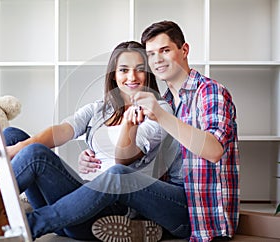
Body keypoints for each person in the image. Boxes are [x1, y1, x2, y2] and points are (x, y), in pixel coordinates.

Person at [0, 41, 192, 241]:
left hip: (105, 207)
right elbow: (62, 131)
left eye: (139, 69)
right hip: (75, 201)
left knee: (36, 155)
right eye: (124, 70)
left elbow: (122, 159)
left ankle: (21, 224)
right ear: (114, 74)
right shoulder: (100, 108)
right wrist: (17, 147)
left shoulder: (158, 110)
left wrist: (130, 124)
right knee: (12, 137)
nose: (132, 76)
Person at [79, 21, 240, 242]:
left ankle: (36, 222)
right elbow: (139, 155)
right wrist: (93, 155)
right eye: (151, 54)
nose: (157, 59)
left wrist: (161, 116)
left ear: (184, 50)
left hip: (200, 213)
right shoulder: (164, 102)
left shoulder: (209, 92)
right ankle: (140, 228)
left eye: (165, 50)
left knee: (118, 174)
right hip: (163, 205)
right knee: (82, 220)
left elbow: (214, 151)